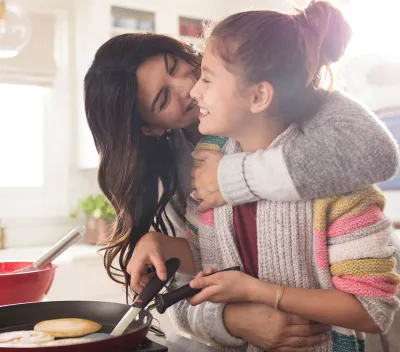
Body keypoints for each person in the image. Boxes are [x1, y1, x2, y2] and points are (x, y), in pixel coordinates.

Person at [84, 28, 399, 351]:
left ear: (261, 94)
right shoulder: (179, 179)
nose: (190, 87)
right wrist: (233, 320)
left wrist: (229, 178)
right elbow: (206, 268)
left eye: (176, 64)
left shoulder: (301, 109)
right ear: (151, 127)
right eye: (164, 98)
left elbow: (379, 154)